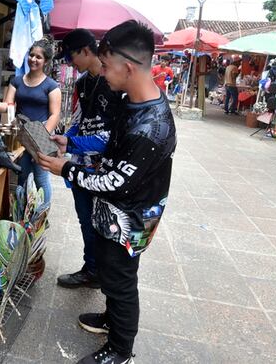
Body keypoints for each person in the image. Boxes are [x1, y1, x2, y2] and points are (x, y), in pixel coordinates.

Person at [38, 20, 176, 364]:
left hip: (130, 218)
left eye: (107, 66)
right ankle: (110, 321)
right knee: (113, 276)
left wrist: (66, 168)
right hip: (111, 213)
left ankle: (120, 351)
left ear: (128, 67)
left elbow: (116, 182)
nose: (104, 72)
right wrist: (70, 141)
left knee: (122, 282)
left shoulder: (151, 127)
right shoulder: (130, 101)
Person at [55, 28, 125, 289]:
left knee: (105, 223)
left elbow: (112, 135)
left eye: (71, 56)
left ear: (85, 50)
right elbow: (78, 120)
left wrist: (71, 142)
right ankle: (91, 268)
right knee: (85, 219)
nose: (70, 63)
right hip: (81, 165)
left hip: (106, 169)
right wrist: (66, 138)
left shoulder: (116, 84)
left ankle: (105, 272)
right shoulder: (82, 83)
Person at [0, 37, 61, 204]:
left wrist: (40, 139)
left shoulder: (51, 86)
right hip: (21, 135)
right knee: (22, 176)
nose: (33, 59)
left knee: (41, 178)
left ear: (46, 61)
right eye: (31, 55)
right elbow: (8, 106)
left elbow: (55, 115)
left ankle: (42, 216)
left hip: (41, 135)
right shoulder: (17, 81)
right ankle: (21, 213)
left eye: (38, 57)